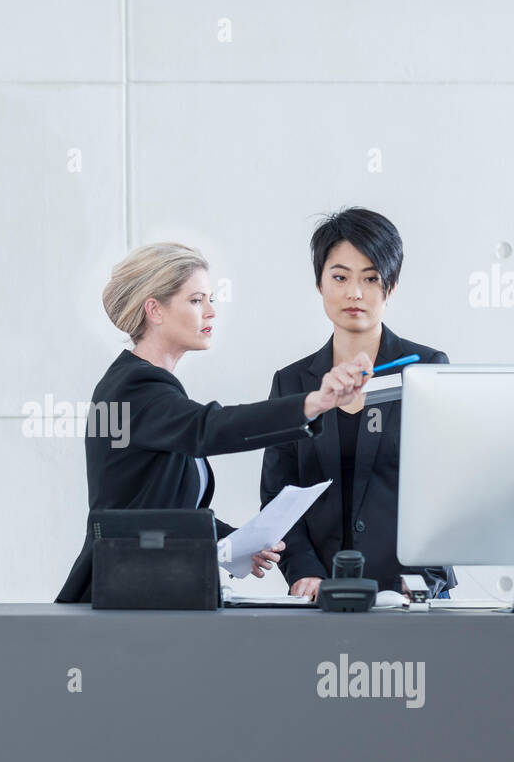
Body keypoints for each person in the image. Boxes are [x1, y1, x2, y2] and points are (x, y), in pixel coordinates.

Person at [57, 242, 372, 604]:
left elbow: (159, 512)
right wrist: (315, 402)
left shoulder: (146, 387)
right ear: (154, 310)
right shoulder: (134, 387)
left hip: (145, 599)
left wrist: (231, 543)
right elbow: (210, 428)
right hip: (123, 602)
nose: (211, 312)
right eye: (196, 301)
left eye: (211, 299)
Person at [260, 208, 456, 601]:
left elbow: (447, 492)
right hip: (321, 595)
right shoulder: (292, 382)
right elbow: (277, 496)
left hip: (411, 597)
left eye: (371, 278)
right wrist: (304, 573)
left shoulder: (425, 370)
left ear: (391, 286)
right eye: (340, 277)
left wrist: (418, 579)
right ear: (320, 284)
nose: (354, 292)